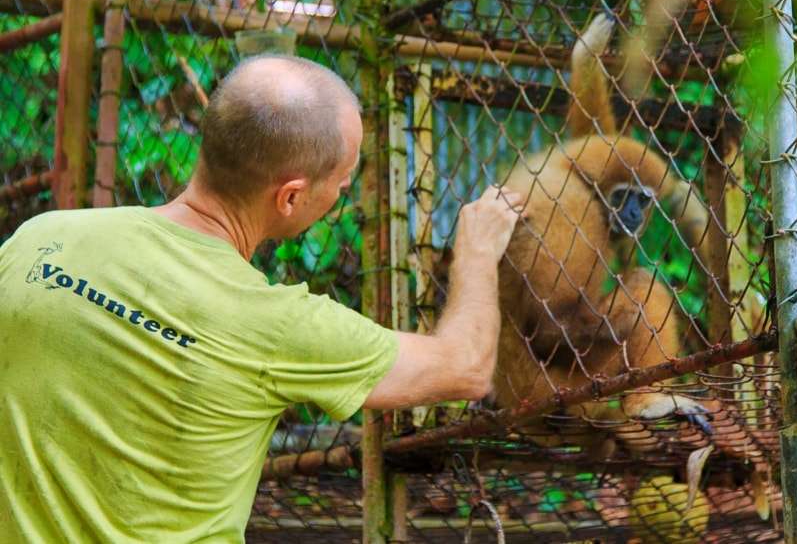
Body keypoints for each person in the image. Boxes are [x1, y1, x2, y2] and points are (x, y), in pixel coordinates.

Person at [0, 55, 525, 543]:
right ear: (291, 196)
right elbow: (466, 367)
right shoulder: (279, 327)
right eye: (342, 181)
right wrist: (476, 252)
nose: (344, 191)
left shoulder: (42, 238)